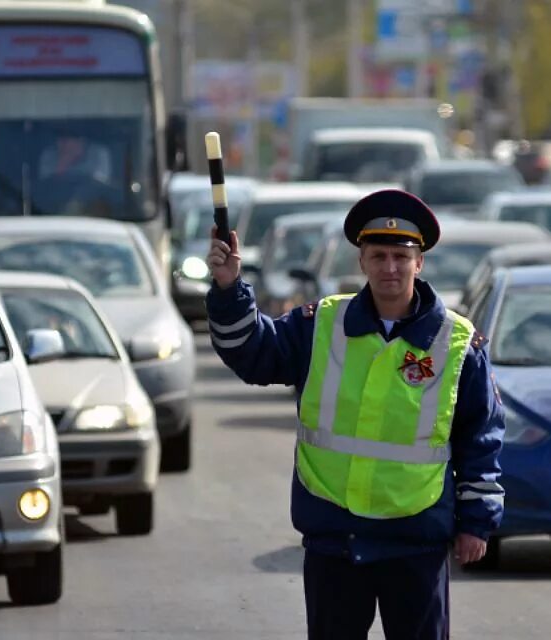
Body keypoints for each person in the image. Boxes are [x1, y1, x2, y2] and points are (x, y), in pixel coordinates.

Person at [206, 189, 505, 640]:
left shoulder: (459, 343)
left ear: (419, 263)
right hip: (335, 539)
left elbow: (479, 436)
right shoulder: (320, 323)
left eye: (401, 256)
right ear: (361, 261)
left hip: (415, 540)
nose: (390, 267)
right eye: (378, 255)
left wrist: (477, 521)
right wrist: (230, 288)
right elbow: (251, 355)